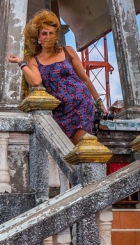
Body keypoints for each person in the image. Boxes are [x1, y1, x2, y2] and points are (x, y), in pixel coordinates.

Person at [7, 9, 102, 144]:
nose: (48, 37)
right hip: (59, 111)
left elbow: (85, 79)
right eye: (44, 34)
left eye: (51, 33)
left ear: (56, 35)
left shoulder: (68, 51)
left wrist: (98, 102)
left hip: (81, 104)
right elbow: (35, 81)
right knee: (65, 151)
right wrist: (21, 63)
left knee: (81, 145)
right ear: (38, 37)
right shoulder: (34, 60)